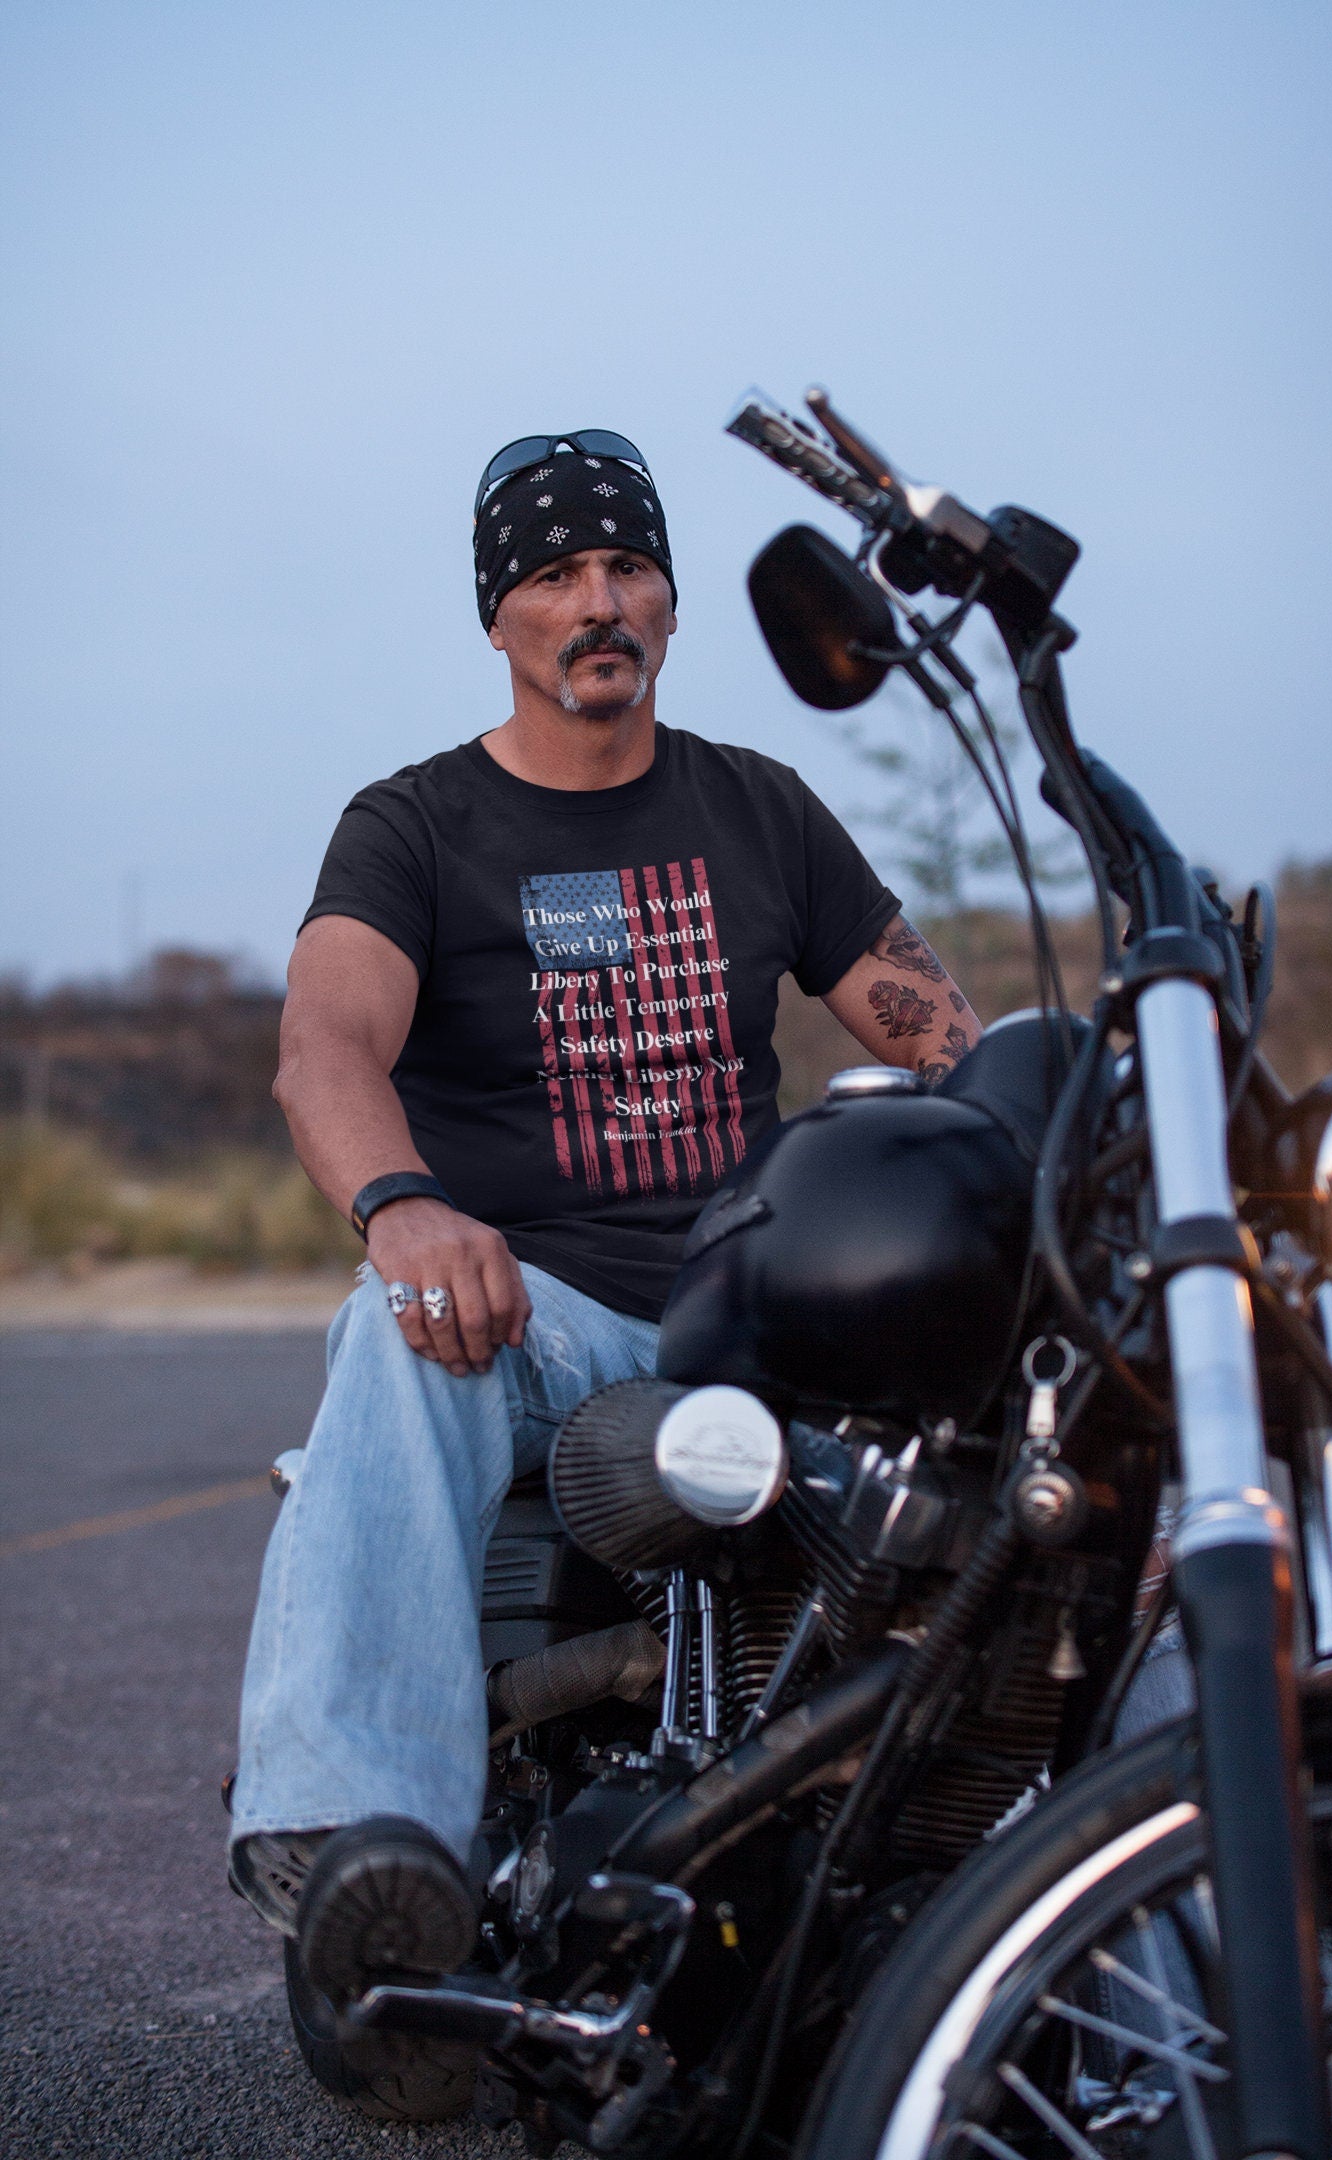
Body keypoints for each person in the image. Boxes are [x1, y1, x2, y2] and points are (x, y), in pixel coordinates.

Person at [228, 429, 983, 1998]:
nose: (598, 601)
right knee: (399, 1324)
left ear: (672, 602)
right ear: (498, 614)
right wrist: (403, 1204)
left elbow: (934, 1030)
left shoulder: (762, 810)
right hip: (540, 1309)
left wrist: (1054, 1103)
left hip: (760, 1302)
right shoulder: (415, 826)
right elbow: (325, 1050)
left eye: (627, 565)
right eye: (555, 573)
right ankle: (357, 1843)